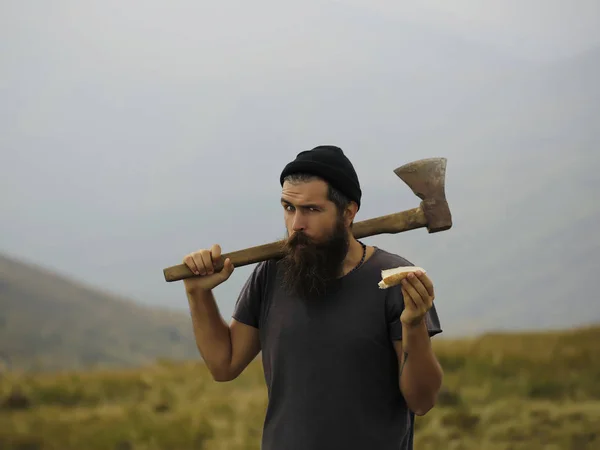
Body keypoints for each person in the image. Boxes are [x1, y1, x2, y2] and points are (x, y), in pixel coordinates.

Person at [182, 145, 444, 450]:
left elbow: (422, 400)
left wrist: (413, 326)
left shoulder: (394, 279)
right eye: (289, 208)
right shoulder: (272, 273)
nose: (296, 225)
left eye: (311, 209)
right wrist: (197, 293)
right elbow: (223, 364)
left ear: (348, 212)